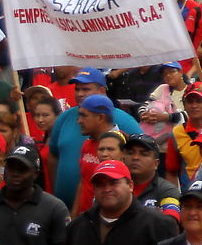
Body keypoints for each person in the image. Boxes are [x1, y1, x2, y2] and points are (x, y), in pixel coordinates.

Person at [48, 67, 141, 209]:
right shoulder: (65, 117)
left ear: (102, 91)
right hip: (68, 210)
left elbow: (142, 161)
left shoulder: (124, 121)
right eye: (77, 89)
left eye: (85, 89)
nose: (79, 94)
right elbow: (53, 156)